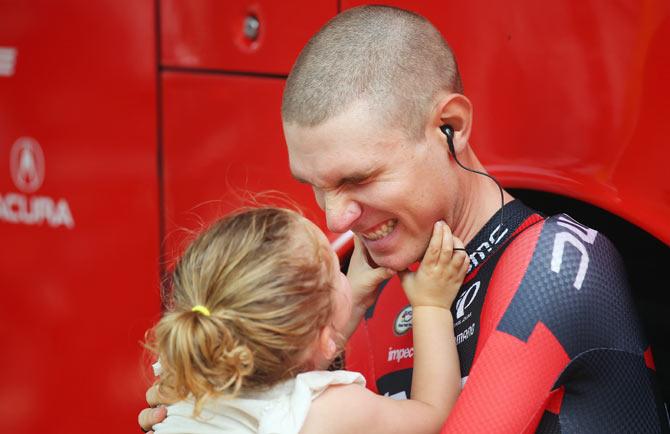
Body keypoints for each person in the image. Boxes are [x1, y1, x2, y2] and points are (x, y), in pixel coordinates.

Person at [141, 5, 669, 432]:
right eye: (315, 187)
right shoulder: (358, 288)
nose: (336, 218)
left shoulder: (557, 267)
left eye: (359, 178)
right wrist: (214, 403)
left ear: (450, 126)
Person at [144, 207, 468, 433]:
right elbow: (433, 415)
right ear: (325, 338)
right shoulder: (332, 410)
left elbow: (297, 352)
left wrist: (342, 303)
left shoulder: (188, 377)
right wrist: (430, 305)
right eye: (334, 268)